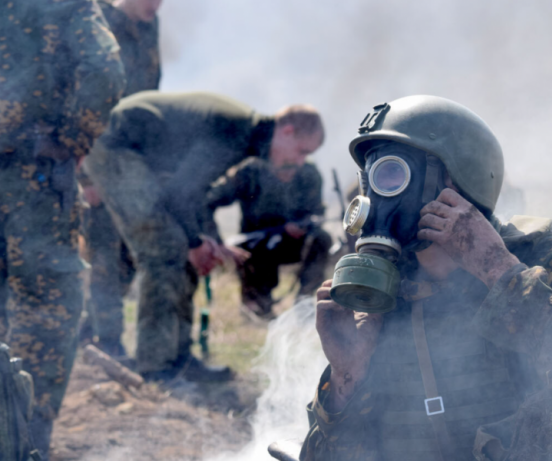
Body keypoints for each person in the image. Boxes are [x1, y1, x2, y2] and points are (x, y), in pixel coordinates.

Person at [300, 96, 552, 461]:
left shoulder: (551, 261)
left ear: (455, 180)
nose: (376, 199)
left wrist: (497, 269)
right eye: (370, 180)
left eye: (392, 174)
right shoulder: (385, 297)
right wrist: (348, 377)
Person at [83, 91, 325, 382]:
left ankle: (178, 358)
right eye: (301, 151)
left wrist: (200, 241)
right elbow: (181, 195)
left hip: (146, 160)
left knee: (181, 251)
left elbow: (192, 192)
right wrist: (196, 242)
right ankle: (157, 369)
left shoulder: (243, 135)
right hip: (116, 147)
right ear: (287, 131)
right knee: (164, 251)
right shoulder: (236, 132)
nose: (299, 162)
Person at [0, 0, 125, 457]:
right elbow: (104, 67)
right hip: (33, 180)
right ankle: (23, 444)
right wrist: (71, 139)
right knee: (45, 314)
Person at [79, 0, 163, 358]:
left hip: (132, 158)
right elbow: (83, 99)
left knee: (131, 253)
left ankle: (89, 327)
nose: (156, 5)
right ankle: (107, 340)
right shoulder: (95, 19)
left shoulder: (149, 27)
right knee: (104, 252)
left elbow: (148, 96)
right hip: (97, 155)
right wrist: (86, 175)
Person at [205, 105, 329, 319]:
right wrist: (217, 242)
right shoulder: (250, 168)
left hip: (292, 243)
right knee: (255, 254)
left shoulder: (309, 174)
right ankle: (256, 305)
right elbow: (210, 200)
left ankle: (306, 306)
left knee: (321, 239)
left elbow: (316, 213)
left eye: (306, 154)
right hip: (256, 247)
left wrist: (301, 226)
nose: (300, 161)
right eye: (301, 151)